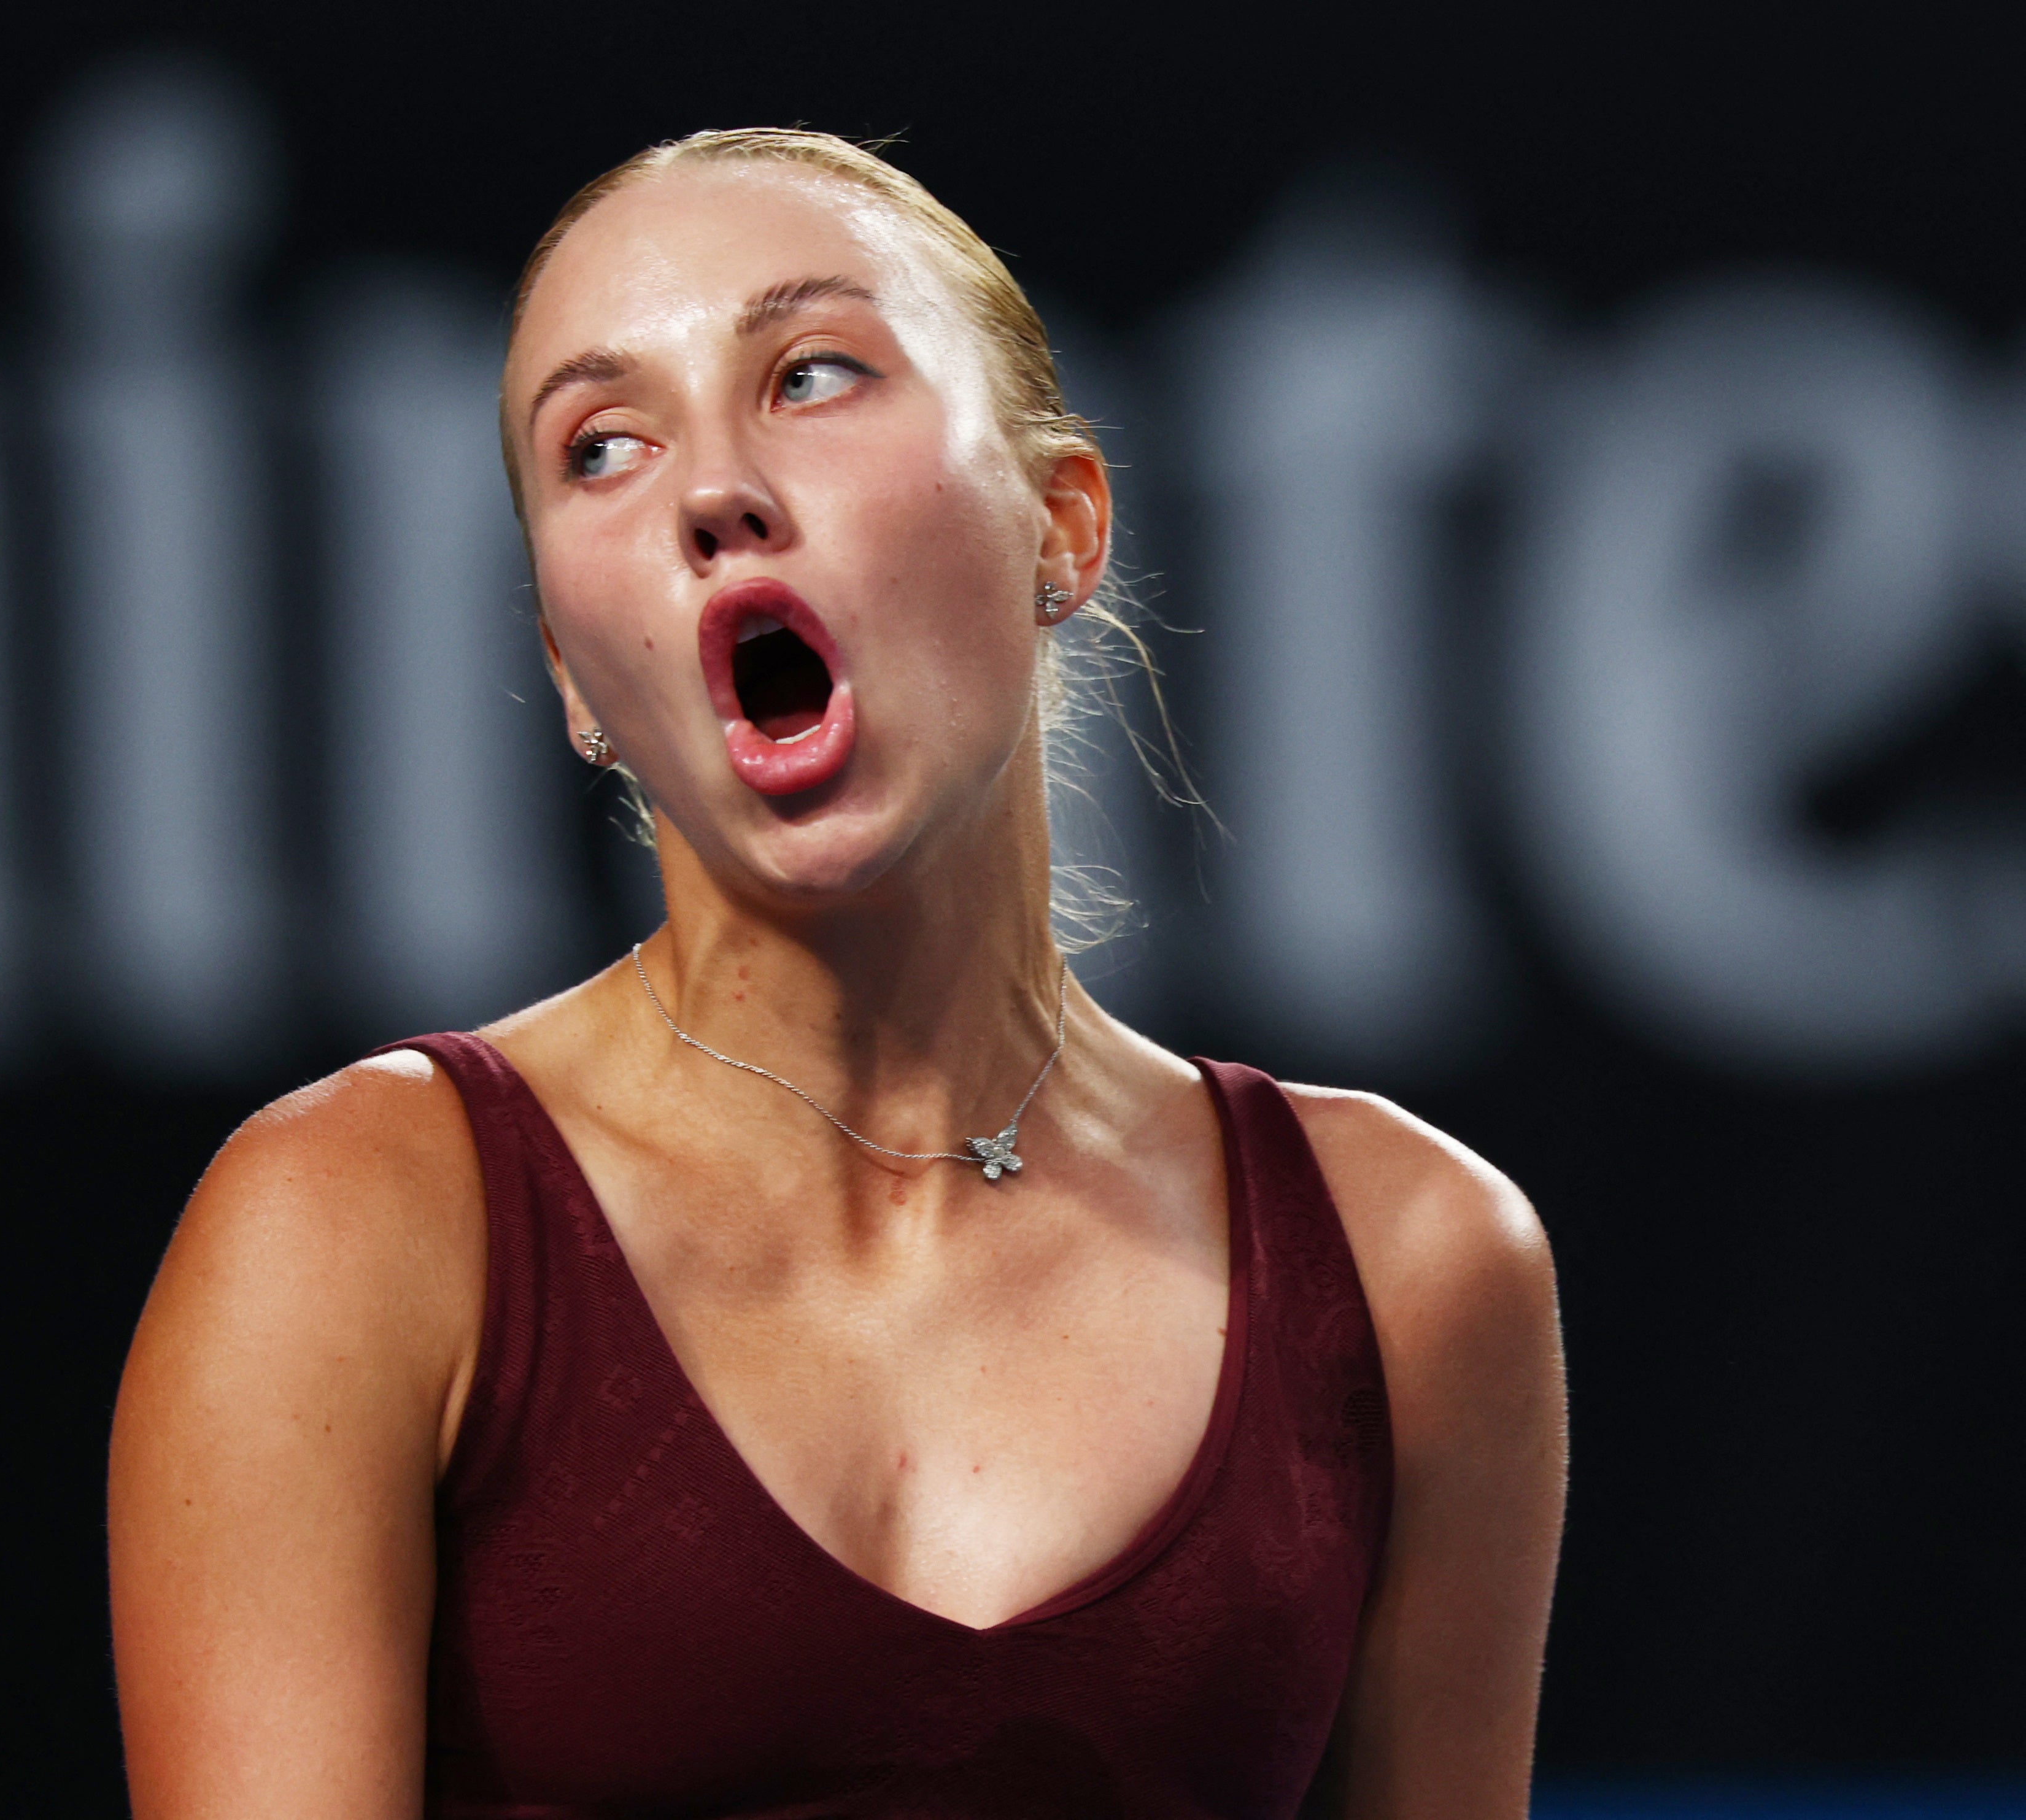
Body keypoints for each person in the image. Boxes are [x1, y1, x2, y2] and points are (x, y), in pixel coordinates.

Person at [107, 129, 1566, 1820]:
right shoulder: (349, 1227)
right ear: (571, 673)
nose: (711, 491)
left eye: (809, 373)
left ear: (1059, 524)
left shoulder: (1415, 1262)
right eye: (602, 446)